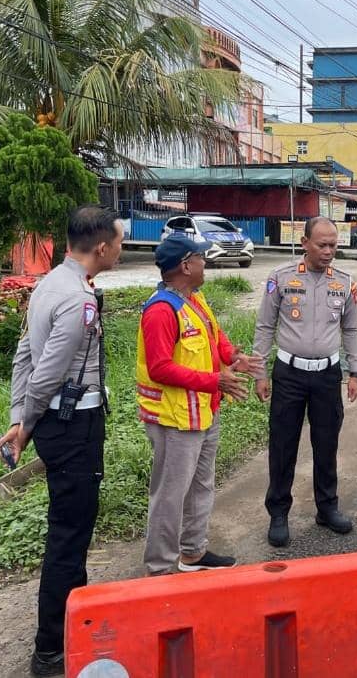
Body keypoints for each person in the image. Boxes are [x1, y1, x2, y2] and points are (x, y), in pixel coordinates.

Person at [0, 204, 123, 677]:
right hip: (72, 428)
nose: (121, 248)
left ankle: (74, 626)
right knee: (69, 537)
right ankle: (50, 650)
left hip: (57, 424)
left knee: (71, 531)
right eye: (120, 242)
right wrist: (24, 426)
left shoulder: (50, 284)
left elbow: (22, 355)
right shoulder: (78, 300)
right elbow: (46, 371)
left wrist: (18, 418)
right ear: (103, 247)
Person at [136, 233, 264, 576]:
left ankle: (192, 553)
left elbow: (214, 337)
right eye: (201, 258)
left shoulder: (195, 299)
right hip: (174, 420)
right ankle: (160, 569)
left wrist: (234, 357)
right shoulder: (161, 312)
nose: (205, 263)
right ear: (185, 265)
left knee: (201, 486)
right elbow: (159, 368)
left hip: (203, 412)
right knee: (170, 495)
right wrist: (215, 381)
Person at [252, 217, 357, 548]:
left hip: (327, 375)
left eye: (333, 245)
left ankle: (327, 508)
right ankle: (279, 513)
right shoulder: (281, 279)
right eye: (322, 245)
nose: (329, 251)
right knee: (283, 446)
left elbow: (351, 329)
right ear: (304, 243)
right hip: (289, 375)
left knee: (326, 444)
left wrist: (354, 372)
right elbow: (264, 327)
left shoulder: (344, 283)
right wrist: (259, 371)